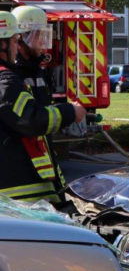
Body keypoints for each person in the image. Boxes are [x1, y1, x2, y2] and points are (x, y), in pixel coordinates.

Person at [0, 10, 86, 204]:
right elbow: (32, 119)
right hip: (21, 194)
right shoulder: (7, 80)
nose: (43, 41)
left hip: (32, 185)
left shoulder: (35, 72)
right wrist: (69, 112)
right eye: (15, 40)